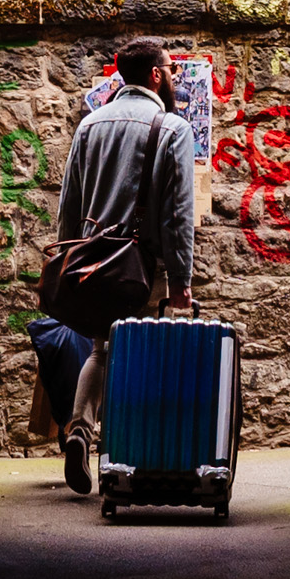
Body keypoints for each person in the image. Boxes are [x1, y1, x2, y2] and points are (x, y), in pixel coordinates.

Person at [54, 37, 198, 495]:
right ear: (156, 74)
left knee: (101, 350)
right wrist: (180, 280)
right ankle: (136, 461)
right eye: (170, 69)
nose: (173, 76)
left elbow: (69, 202)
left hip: (94, 264)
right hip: (144, 268)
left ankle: (80, 430)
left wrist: (66, 260)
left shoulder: (89, 125)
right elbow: (177, 214)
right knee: (144, 356)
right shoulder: (172, 128)